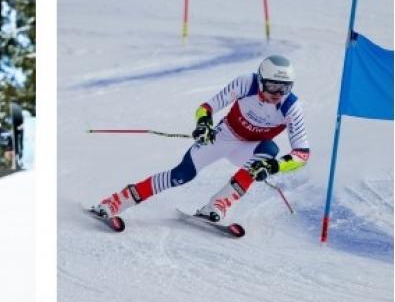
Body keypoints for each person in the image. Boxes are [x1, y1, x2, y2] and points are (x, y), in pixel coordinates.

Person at [92, 55, 310, 222]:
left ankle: (217, 205)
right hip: (224, 136)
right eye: (273, 86)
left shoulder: (291, 107)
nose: (278, 93)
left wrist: (274, 166)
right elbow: (207, 107)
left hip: (250, 148)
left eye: (285, 88)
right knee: (181, 175)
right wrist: (204, 124)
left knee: (269, 150)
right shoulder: (246, 83)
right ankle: (116, 201)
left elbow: (301, 154)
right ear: (262, 81)